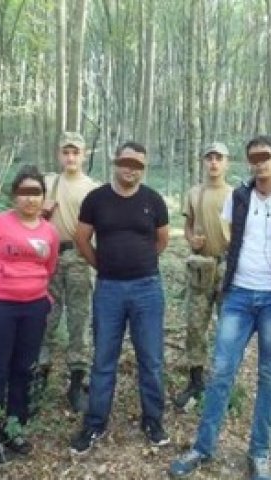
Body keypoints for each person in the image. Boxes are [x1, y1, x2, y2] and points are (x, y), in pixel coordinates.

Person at [170, 135, 271, 480]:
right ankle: (203, 447)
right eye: (254, 157)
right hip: (238, 295)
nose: (260, 162)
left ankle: (259, 454)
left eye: (266, 156)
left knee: (270, 376)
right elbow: (234, 237)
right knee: (221, 371)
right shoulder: (239, 196)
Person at [70, 141, 170, 454]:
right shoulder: (96, 199)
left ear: (144, 167)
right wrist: (103, 264)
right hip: (109, 290)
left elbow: (161, 240)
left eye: (138, 164)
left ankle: (153, 420)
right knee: (103, 359)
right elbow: (82, 238)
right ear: (116, 162)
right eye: (126, 162)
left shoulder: (153, 200)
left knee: (151, 359)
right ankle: (95, 422)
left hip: (147, 289)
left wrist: (138, 262)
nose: (131, 169)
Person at [0, 165, 59, 464]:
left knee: (24, 369)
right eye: (25, 192)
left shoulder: (49, 231)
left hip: (33, 308)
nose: (31, 199)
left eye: (37, 193)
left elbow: (49, 267)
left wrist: (38, 295)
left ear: (44, 198)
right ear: (14, 195)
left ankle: (15, 427)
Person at [35, 132, 99, 413]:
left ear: (83, 155)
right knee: (45, 317)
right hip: (48, 257)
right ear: (59, 154)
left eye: (75, 152)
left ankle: (77, 378)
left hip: (79, 258)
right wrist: (42, 214)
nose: (70, 157)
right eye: (66, 152)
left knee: (79, 319)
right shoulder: (47, 183)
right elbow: (26, 218)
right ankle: (39, 373)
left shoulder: (93, 188)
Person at [174, 142, 232, 411]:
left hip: (228, 267)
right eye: (209, 158)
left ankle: (223, 380)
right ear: (203, 162)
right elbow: (186, 226)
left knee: (229, 327)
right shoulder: (195, 193)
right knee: (196, 325)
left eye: (218, 158)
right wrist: (191, 239)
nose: (213, 163)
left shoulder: (235, 195)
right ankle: (195, 380)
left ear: (226, 163)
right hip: (201, 266)